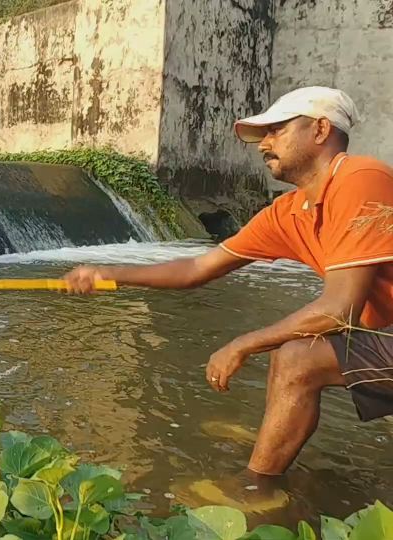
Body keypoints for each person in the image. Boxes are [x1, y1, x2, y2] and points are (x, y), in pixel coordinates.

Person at [64, 86, 393, 477]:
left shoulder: (360, 179)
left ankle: (254, 490)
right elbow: (197, 269)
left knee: (298, 357)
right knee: (289, 353)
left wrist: (241, 344)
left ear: (321, 129)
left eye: (277, 130)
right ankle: (271, 449)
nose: (263, 145)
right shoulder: (288, 213)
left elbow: (340, 310)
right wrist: (109, 274)